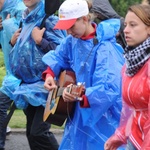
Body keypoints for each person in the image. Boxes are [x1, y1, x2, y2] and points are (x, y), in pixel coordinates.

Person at [42, 0, 124, 149]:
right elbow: (58, 57)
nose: (68, 32)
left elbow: (109, 88)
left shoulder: (105, 48)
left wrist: (80, 95)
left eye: (71, 26)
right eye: (65, 28)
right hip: (79, 114)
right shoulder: (71, 41)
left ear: (85, 19)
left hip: (102, 118)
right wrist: (49, 74)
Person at [0, 0, 66, 149]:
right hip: (29, 87)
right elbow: (21, 53)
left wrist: (40, 40)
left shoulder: (49, 20)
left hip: (47, 86)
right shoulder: (26, 21)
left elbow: (62, 54)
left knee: (39, 133)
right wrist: (12, 43)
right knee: (31, 134)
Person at [104, 4, 150, 150]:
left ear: (149, 29)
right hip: (136, 138)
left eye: (133, 25)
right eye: (125, 25)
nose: (125, 30)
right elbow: (131, 110)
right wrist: (120, 135)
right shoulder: (130, 64)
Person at [0, 0, 25, 149]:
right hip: (13, 74)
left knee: (38, 130)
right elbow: (6, 44)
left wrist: (8, 26)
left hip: (25, 75)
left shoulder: (21, 10)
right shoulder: (6, 14)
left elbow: (25, 44)